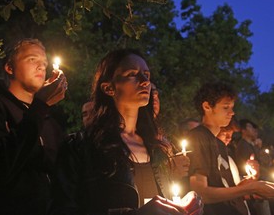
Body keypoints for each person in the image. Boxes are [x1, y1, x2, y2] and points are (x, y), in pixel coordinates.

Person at [49, 48, 203, 215]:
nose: (144, 81)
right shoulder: (81, 148)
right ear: (109, 88)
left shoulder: (157, 148)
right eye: (132, 74)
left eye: (147, 74)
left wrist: (185, 204)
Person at [0, 38, 67, 215]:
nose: (41, 66)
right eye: (32, 59)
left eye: (44, 63)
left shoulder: (50, 124)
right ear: (9, 67)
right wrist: (39, 107)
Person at [188, 81, 274, 215]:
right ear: (207, 106)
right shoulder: (198, 137)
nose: (232, 113)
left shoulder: (220, 144)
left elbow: (224, 189)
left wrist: (249, 183)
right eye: (226, 107)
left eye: (232, 107)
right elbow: (201, 193)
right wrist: (251, 188)